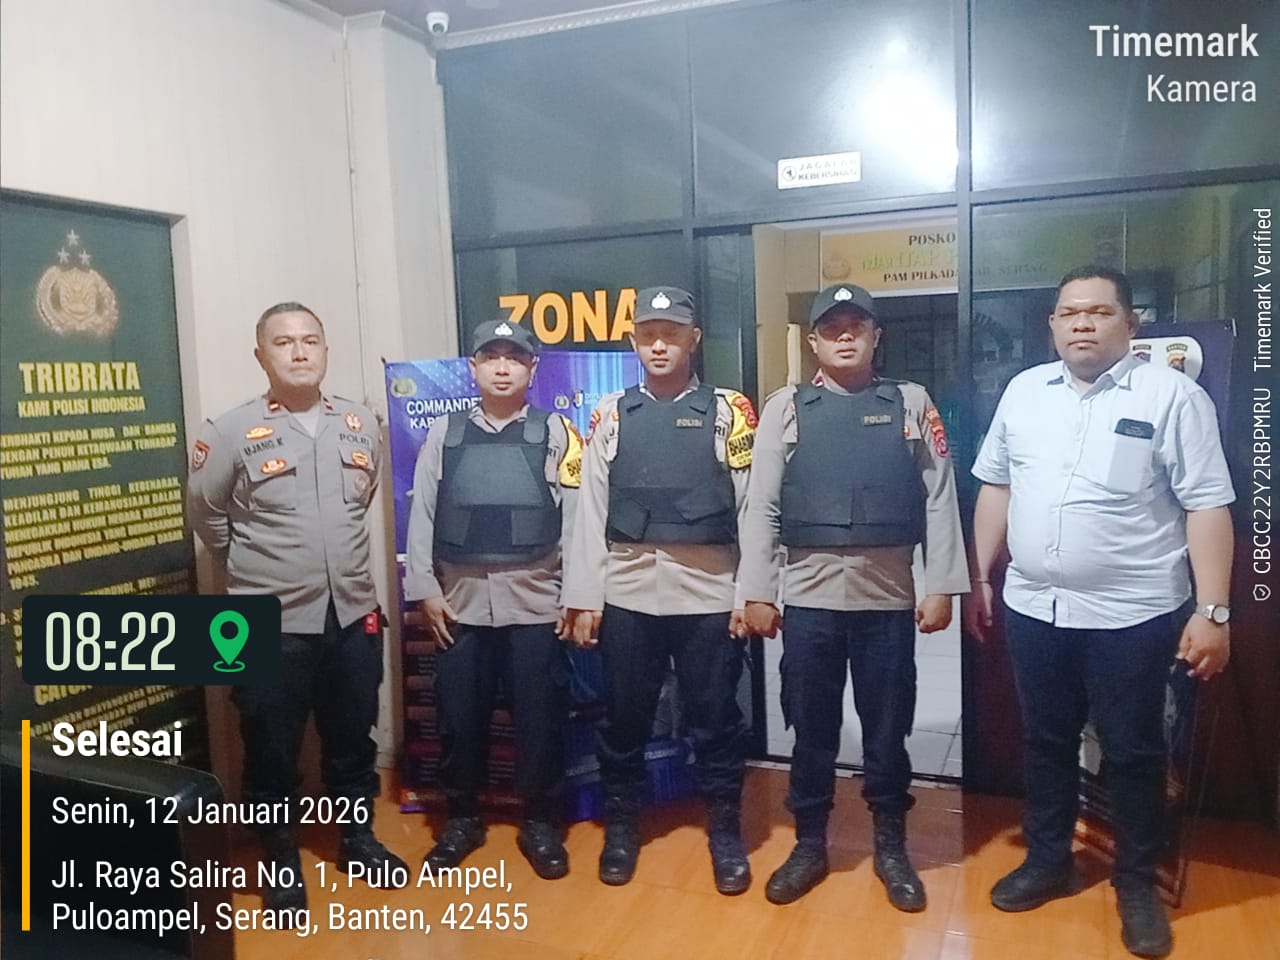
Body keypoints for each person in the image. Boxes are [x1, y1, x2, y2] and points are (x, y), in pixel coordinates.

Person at [965, 265, 1234, 959]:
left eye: (1099, 311)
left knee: (1134, 753)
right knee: (1046, 741)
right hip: (1034, 606)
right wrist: (979, 575)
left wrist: (1213, 611)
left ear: (1130, 324)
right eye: (1069, 313)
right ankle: (1048, 860)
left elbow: (1207, 503)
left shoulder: (1174, 397)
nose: (1082, 323)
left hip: (1133, 615)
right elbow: (996, 485)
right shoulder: (1024, 392)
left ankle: (1136, 883)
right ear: (1052, 325)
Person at [738, 283, 969, 911]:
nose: (845, 336)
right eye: (832, 328)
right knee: (810, 729)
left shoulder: (911, 403)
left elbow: (939, 498)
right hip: (809, 600)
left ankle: (891, 847)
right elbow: (761, 506)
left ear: (875, 336)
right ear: (813, 341)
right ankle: (809, 844)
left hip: (886, 601)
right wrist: (757, 591)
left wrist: (942, 585)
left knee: (887, 732)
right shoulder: (786, 408)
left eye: (857, 326)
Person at [188, 302, 407, 915]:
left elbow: (360, 500)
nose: (300, 351)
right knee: (269, 748)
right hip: (267, 622)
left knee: (352, 739)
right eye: (284, 342)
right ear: (261, 356)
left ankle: (358, 839)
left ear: (326, 350)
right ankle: (279, 858)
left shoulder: (360, 424)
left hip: (353, 615)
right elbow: (207, 513)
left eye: (311, 339)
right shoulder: (229, 431)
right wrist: (254, 566)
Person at [562, 286, 758, 895]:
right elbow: (590, 510)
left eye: (671, 334)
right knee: (624, 720)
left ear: (693, 339)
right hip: (628, 595)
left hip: (709, 596)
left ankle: (724, 831)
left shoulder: (728, 411)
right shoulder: (613, 413)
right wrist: (584, 596)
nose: (659, 345)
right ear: (633, 342)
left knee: (715, 721)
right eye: (648, 335)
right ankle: (623, 827)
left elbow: (751, 508)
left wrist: (750, 592)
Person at [403, 319, 581, 879]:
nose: (503, 367)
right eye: (491, 357)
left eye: (514, 358)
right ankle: (462, 819)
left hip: (537, 603)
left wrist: (576, 595)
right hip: (459, 606)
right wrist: (423, 588)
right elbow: (422, 512)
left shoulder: (558, 432)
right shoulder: (446, 433)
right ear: (474, 367)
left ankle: (540, 822)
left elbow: (577, 519)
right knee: (458, 719)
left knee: (540, 721)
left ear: (532, 368)